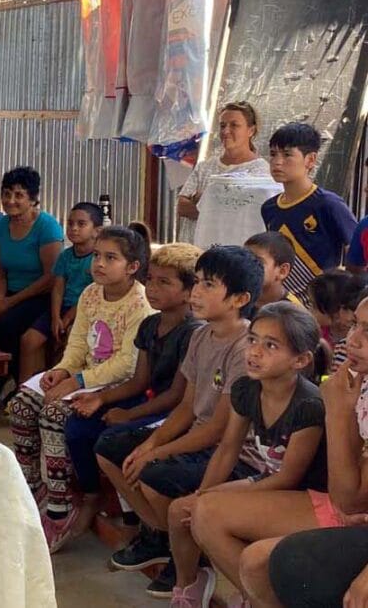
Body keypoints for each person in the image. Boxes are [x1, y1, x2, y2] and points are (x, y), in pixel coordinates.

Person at [93, 245, 262, 598]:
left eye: (209, 285)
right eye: (197, 282)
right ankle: (161, 537)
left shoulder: (245, 347)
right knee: (109, 448)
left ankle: (188, 555)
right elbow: (186, 408)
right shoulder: (201, 334)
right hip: (194, 435)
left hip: (227, 451)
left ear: (239, 298)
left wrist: (156, 453)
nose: (196, 292)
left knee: (154, 475)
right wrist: (151, 444)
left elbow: (217, 429)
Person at [166, 302, 327, 607]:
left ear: (300, 359)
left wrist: (217, 499)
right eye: (252, 339)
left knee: (206, 512)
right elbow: (228, 449)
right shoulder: (246, 389)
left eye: (270, 345)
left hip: (302, 492)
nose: (254, 351)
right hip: (267, 479)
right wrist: (205, 491)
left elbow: (290, 477)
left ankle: (256, 595)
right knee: (181, 510)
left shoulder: (308, 405)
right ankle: (190, 586)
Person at [8, 225, 155, 552]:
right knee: (21, 404)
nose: (99, 264)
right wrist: (61, 370)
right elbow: (77, 345)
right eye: (97, 256)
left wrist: (77, 382)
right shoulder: (91, 293)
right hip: (84, 375)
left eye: (110, 258)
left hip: (118, 385)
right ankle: (32, 487)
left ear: (132, 267)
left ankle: (60, 508)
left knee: (53, 412)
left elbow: (128, 365)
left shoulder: (141, 304)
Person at [65, 242, 204, 549]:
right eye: (151, 279)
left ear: (189, 291)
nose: (152, 288)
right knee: (79, 426)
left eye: (164, 282)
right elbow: (140, 380)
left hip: (172, 412)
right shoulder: (151, 324)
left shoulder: (193, 332)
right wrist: (102, 399)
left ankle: (142, 523)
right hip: (149, 401)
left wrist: (129, 415)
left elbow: (176, 397)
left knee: (115, 438)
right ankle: (103, 501)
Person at [238, 296, 368, 606]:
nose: (353, 340)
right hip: (352, 508)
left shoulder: (316, 401)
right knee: (253, 560)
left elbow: (348, 501)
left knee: (288, 562)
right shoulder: (360, 386)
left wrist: (336, 412)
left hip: (346, 506)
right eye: (354, 326)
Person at [0, 166, 65, 400]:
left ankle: (23, 386)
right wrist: (0, 297)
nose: (11, 200)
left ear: (32, 199)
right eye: (6, 193)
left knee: (7, 324)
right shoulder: (1, 225)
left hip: (41, 295)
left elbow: (51, 277)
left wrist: (10, 302)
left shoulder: (47, 226)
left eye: (19, 195)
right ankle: (2, 372)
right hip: (10, 293)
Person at [261, 122, 357, 301]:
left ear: (310, 160)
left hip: (323, 303)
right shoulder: (269, 208)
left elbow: (357, 251)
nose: (277, 162)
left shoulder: (329, 204)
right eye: (273, 154)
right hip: (285, 302)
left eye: (287, 154)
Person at [19, 202, 102, 380]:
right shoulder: (65, 255)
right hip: (60, 309)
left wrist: (67, 318)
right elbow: (58, 287)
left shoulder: (98, 259)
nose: (73, 228)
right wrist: (56, 316)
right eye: (70, 223)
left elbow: (91, 294)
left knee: (69, 344)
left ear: (97, 230)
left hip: (84, 312)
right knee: (29, 340)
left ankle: (61, 392)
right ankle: (24, 391)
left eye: (81, 224)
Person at [177, 101, 271, 244]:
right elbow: (182, 206)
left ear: (251, 130)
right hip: (198, 250)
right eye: (222, 125)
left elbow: (246, 213)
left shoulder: (260, 171)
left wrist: (204, 202)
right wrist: (219, 205)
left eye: (234, 125)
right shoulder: (204, 167)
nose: (226, 131)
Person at [244, 231, 300, 309]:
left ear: (282, 271)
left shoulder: (293, 313)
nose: (247, 265)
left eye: (257, 261)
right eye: (245, 258)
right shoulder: (235, 293)